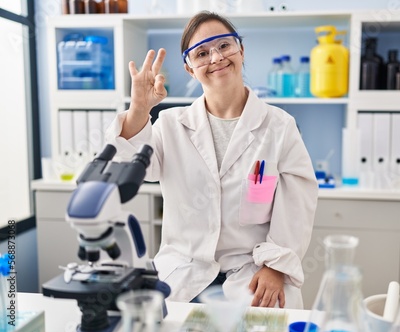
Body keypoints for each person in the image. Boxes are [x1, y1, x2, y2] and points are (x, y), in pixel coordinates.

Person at [106, 11, 318, 309]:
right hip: (183, 270)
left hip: (252, 271)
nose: (216, 57)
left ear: (241, 50)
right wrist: (139, 110)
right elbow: (122, 170)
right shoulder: (169, 125)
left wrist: (275, 266)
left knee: (266, 324)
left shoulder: (279, 126)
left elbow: (298, 203)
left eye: (223, 45)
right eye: (202, 52)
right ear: (190, 69)